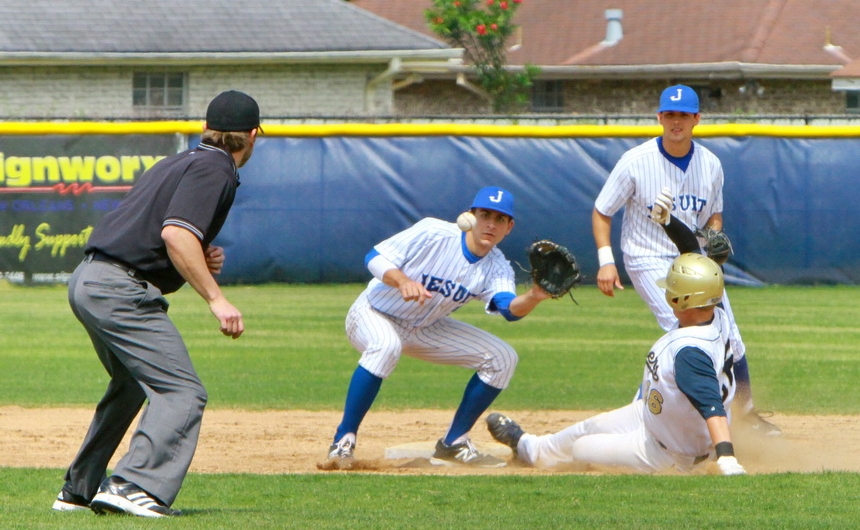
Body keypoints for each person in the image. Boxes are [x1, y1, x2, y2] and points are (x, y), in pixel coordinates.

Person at [51, 90, 261, 517]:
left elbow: (160, 229)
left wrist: (198, 251)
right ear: (254, 135)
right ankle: (135, 485)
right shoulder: (216, 169)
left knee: (130, 384)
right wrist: (216, 298)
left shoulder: (179, 160)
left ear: (206, 128)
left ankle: (79, 489)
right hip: (120, 288)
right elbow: (175, 234)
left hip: (89, 278)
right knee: (182, 392)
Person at [591, 84, 780, 436]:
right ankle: (641, 417)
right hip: (646, 255)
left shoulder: (709, 164)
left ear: (697, 119)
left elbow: (714, 218)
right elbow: (602, 212)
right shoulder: (635, 161)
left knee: (730, 333)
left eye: (684, 115)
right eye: (670, 115)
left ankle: (746, 413)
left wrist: (713, 237)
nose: (676, 121)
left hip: (692, 258)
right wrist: (606, 260)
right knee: (684, 327)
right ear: (660, 118)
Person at [326, 186, 553, 469]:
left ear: (509, 227)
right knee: (386, 346)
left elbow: (508, 308)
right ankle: (343, 441)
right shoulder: (433, 232)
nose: (491, 224)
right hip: (373, 312)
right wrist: (402, 281)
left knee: (503, 357)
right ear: (470, 217)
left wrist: (534, 296)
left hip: (423, 327)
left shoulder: (497, 267)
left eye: (499, 219)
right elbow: (374, 257)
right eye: (485, 215)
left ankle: (454, 443)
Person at [487, 253, 748, 476]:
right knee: (591, 426)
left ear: (685, 300)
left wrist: (726, 456)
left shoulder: (690, 352)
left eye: (674, 290)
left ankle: (551, 459)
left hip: (669, 453)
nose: (668, 293)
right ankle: (529, 449)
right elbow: (697, 263)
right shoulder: (716, 314)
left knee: (582, 447)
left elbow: (712, 407)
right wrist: (668, 223)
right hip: (659, 419)